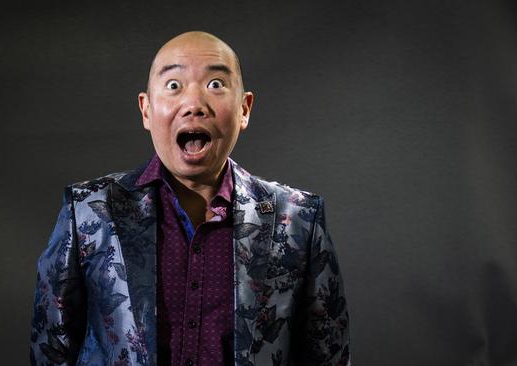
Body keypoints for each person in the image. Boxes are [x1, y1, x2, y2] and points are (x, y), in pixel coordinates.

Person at [30, 31, 350, 366]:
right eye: (173, 85)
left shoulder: (298, 219)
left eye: (215, 84)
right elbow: (52, 348)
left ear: (244, 109)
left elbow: (328, 355)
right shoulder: (89, 211)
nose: (194, 105)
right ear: (146, 109)